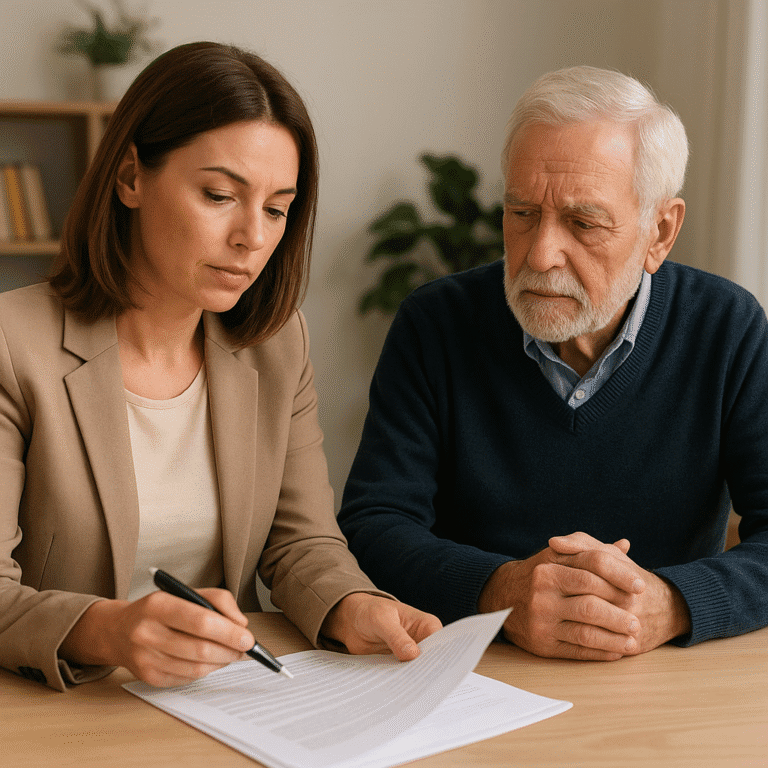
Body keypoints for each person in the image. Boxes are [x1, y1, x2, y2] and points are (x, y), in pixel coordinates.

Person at [0, 41, 440, 692]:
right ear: (129, 178)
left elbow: (302, 543)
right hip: (61, 712)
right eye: (218, 195)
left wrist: (353, 603)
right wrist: (109, 630)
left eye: (276, 208)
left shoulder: (277, 342)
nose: (251, 238)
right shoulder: (13, 345)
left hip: (221, 703)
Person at [338, 65, 768, 662]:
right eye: (521, 214)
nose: (540, 254)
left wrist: (671, 602)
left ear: (660, 233)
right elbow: (373, 524)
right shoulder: (435, 323)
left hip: (662, 678)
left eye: (582, 223)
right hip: (471, 672)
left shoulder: (727, 327)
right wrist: (501, 591)